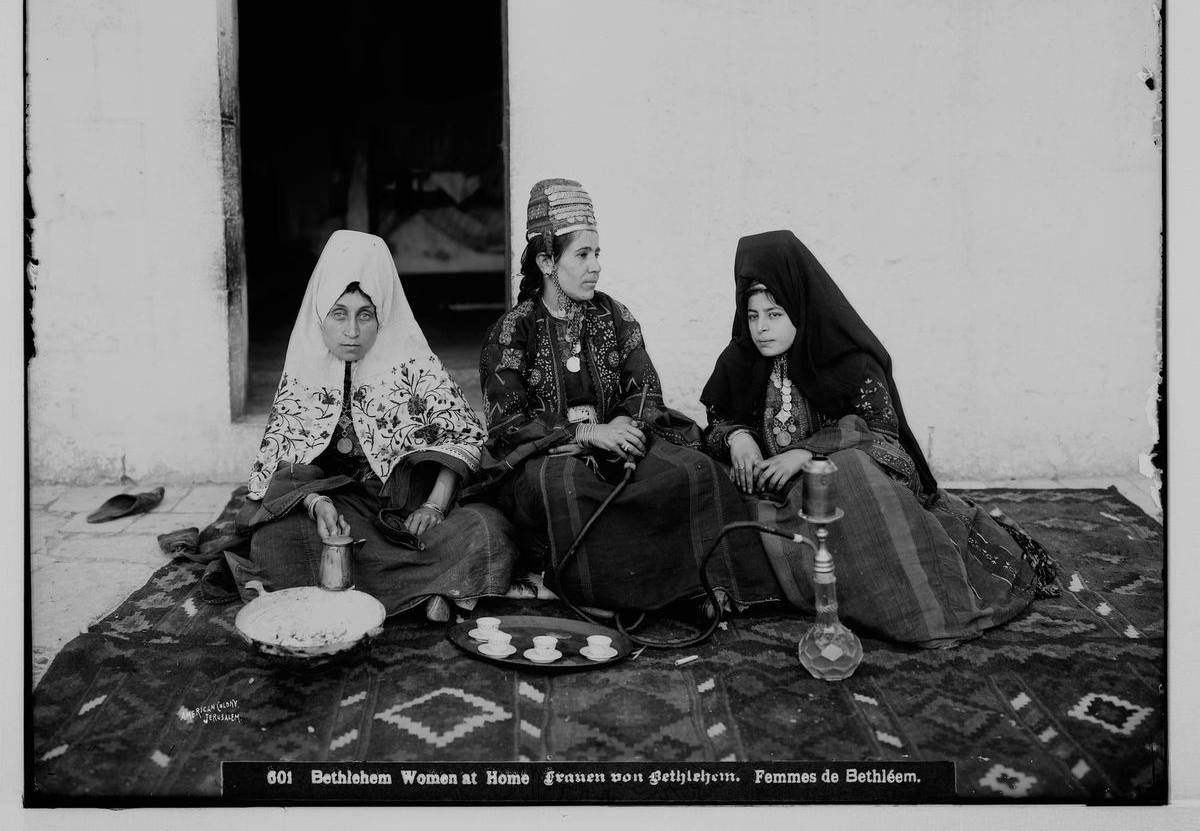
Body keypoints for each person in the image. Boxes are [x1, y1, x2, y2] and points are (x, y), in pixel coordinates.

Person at [700, 230, 1059, 648]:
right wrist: (737, 438)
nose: (761, 328)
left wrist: (806, 453)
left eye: (774, 314)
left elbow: (882, 433)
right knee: (702, 478)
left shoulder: (848, 359)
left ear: (799, 305)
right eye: (752, 316)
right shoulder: (739, 360)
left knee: (850, 473)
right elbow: (717, 422)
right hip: (770, 494)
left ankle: (922, 613)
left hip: (837, 489)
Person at [469, 180, 780, 614]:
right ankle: (599, 592)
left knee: (693, 470)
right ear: (546, 261)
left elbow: (644, 389)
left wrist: (621, 426)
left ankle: (711, 586)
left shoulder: (614, 315)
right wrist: (586, 434)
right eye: (582, 255)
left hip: (620, 440)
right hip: (549, 457)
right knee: (566, 488)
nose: (596, 266)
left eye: (597, 253)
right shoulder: (512, 331)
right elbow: (508, 422)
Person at [230, 230, 518, 622]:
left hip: (409, 508)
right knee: (273, 542)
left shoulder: (417, 366)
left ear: (382, 312)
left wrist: (434, 505)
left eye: (365, 315)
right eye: (339, 314)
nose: (352, 331)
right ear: (319, 313)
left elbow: (465, 440)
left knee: (486, 529)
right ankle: (430, 590)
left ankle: (377, 589)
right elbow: (278, 466)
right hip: (340, 508)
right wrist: (316, 503)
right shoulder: (303, 372)